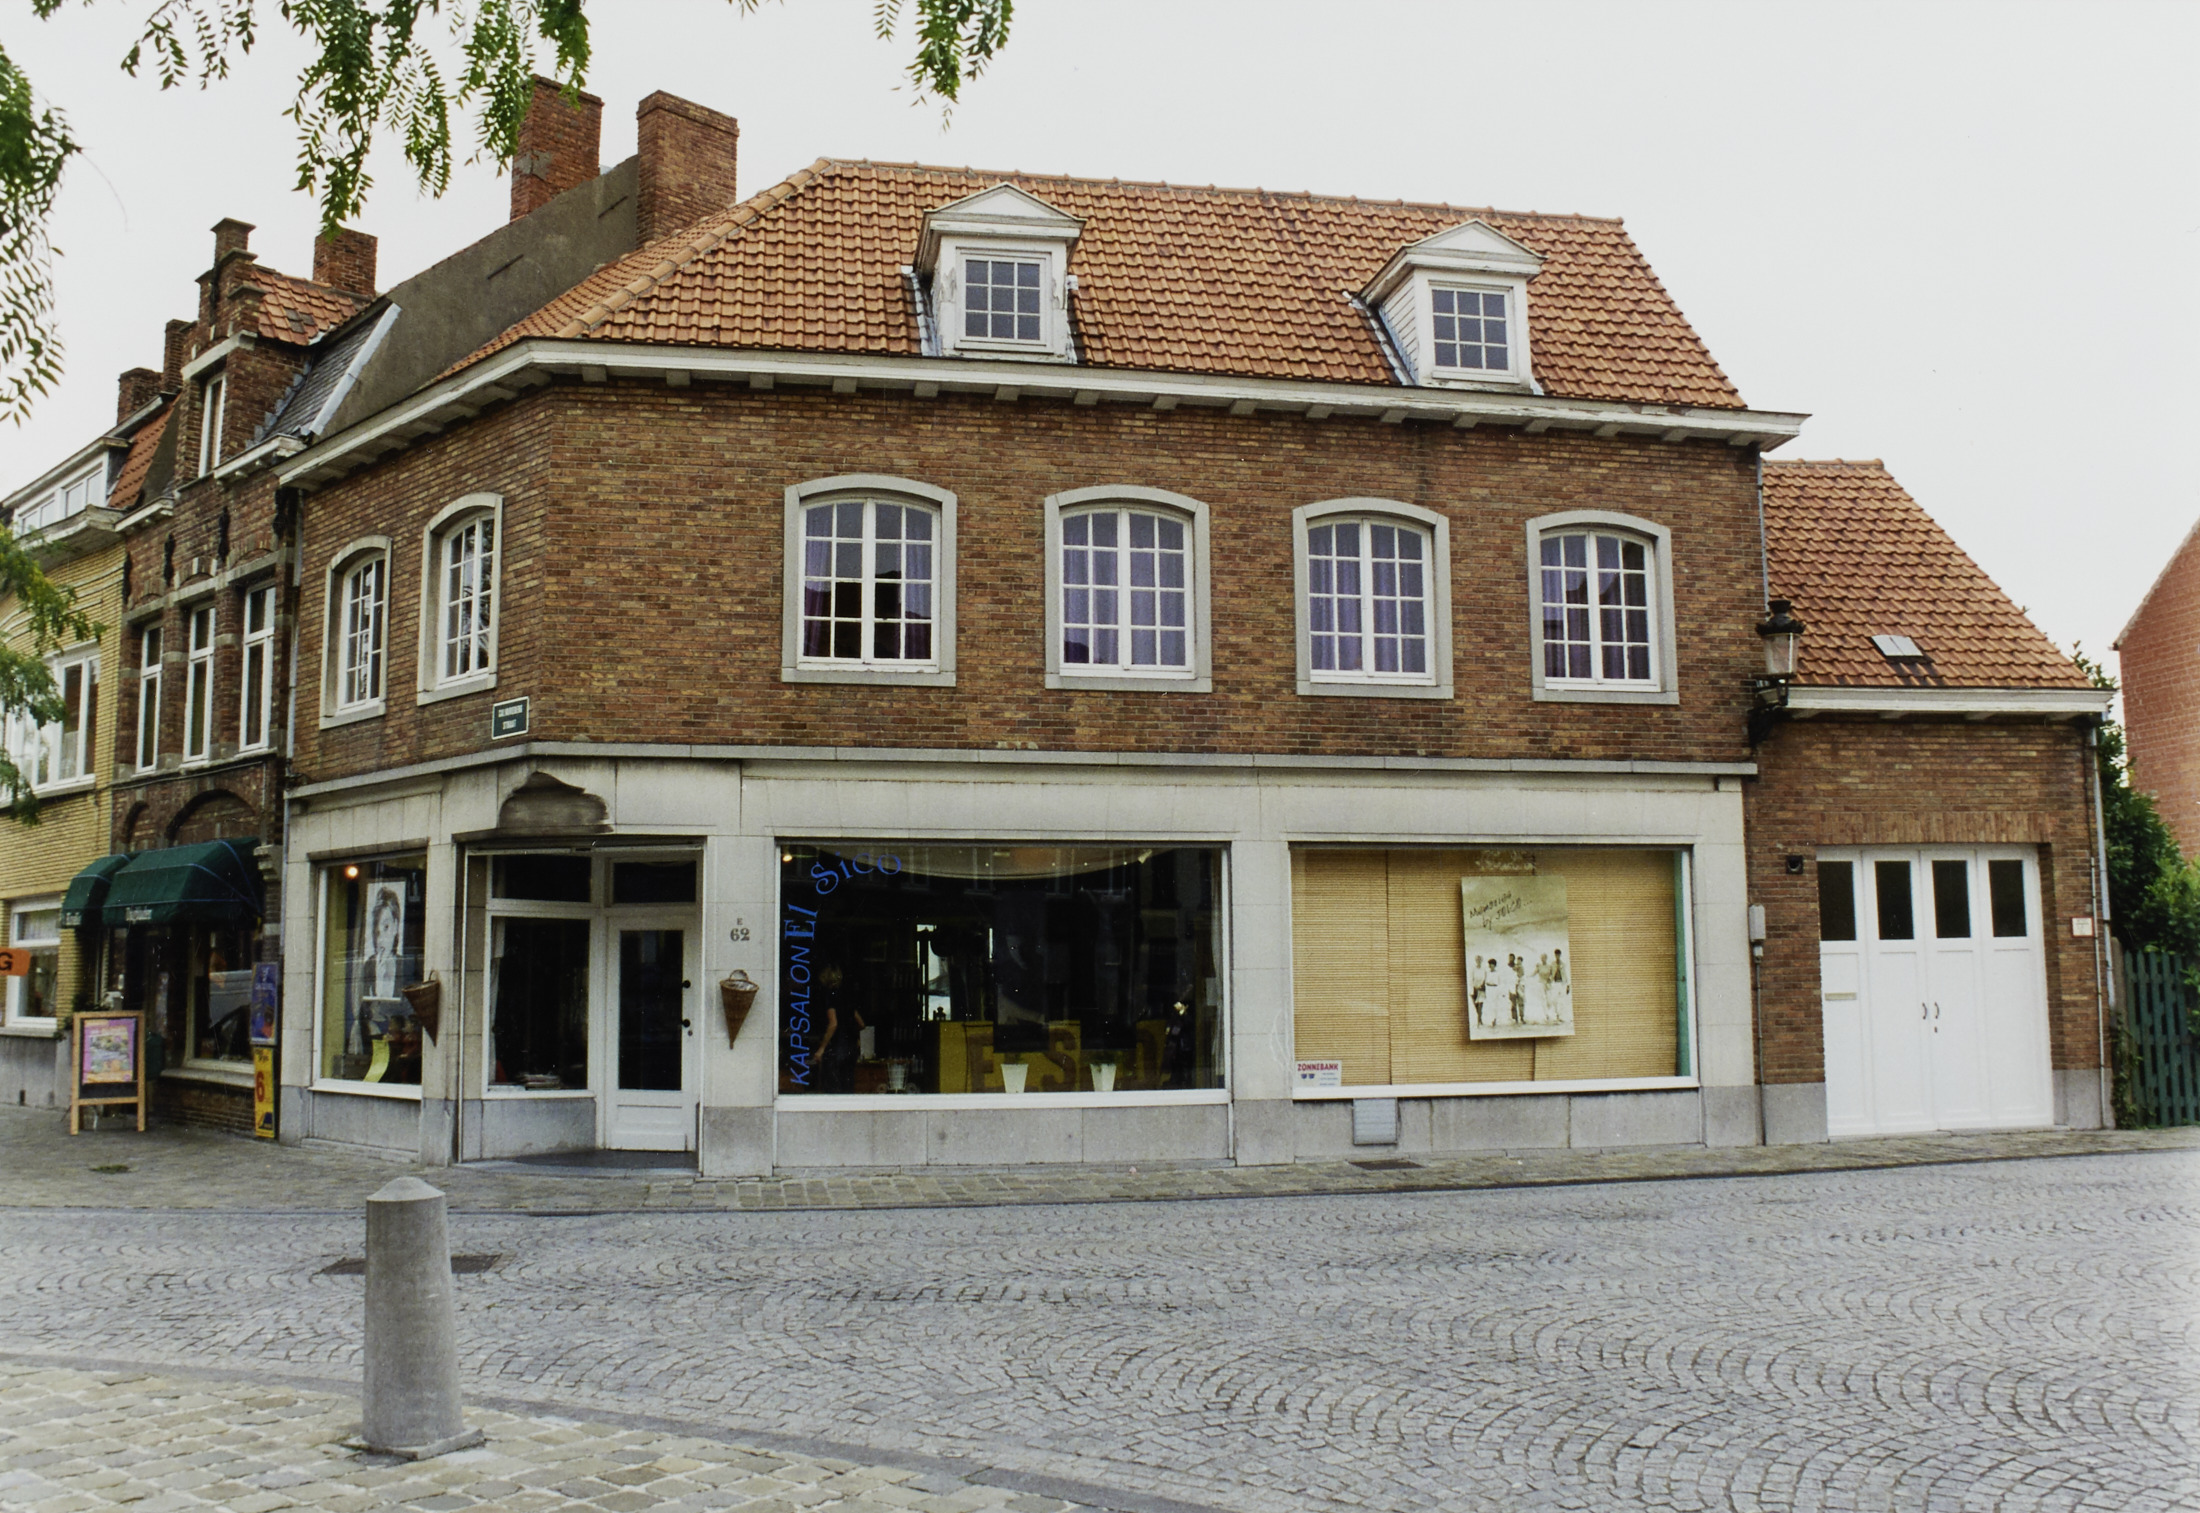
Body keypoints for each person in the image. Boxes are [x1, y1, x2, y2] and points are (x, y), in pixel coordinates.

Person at [808, 965, 864, 1093]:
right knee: (847, 1088)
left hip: (836, 1049)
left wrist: (821, 1049)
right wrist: (852, 1033)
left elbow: (833, 1023)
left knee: (832, 1090)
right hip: (850, 1049)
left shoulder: (830, 996)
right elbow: (861, 1024)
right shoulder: (847, 997)